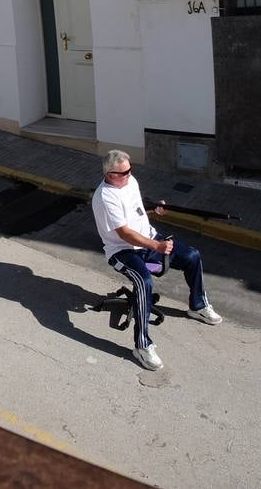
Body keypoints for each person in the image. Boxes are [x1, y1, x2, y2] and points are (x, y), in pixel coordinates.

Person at [92, 151, 221, 371]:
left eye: (130, 169)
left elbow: (135, 207)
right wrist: (157, 247)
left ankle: (198, 306)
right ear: (111, 174)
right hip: (123, 251)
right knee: (144, 281)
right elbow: (124, 233)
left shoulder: (129, 181)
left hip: (148, 239)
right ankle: (142, 346)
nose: (130, 174)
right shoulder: (105, 197)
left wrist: (152, 208)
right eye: (125, 172)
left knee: (192, 256)